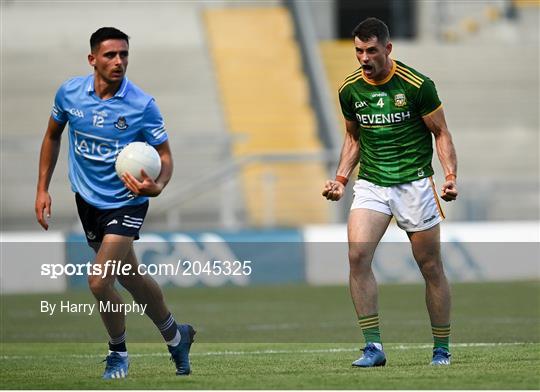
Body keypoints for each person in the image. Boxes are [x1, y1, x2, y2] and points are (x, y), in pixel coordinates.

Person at [35, 27, 195, 378]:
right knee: (133, 277)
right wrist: (42, 189)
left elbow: (165, 156)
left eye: (124, 54)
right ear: (92, 59)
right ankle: (176, 335)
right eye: (110, 55)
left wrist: (158, 185)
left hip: (128, 200)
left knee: (98, 281)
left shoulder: (141, 105)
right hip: (88, 200)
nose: (119, 61)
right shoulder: (70, 94)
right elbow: (51, 136)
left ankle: (118, 353)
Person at [322, 18, 457, 367]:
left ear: (387, 48)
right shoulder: (350, 90)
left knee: (430, 267)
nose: (364, 58)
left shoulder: (417, 85)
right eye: (358, 51)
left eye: (370, 50)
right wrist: (340, 178)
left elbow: (440, 132)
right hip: (372, 183)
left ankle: (441, 348)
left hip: (414, 182)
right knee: (357, 258)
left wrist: (450, 175)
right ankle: (373, 348)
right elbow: (353, 138)